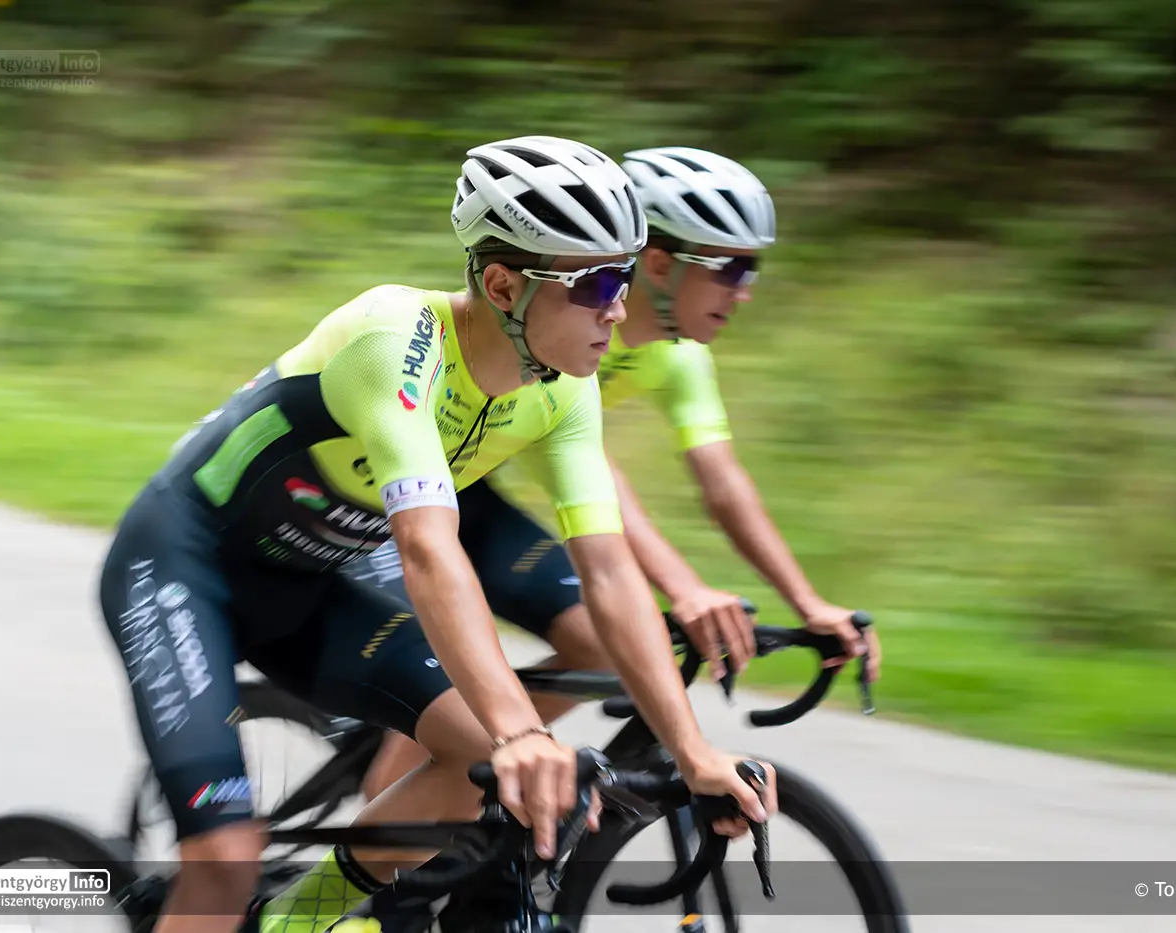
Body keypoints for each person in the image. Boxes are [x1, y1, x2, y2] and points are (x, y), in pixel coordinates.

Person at [96, 134, 775, 933]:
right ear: (503, 283)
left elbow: (609, 571)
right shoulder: (394, 340)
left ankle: (293, 922)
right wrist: (520, 730)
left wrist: (693, 752)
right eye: (596, 283)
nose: (618, 310)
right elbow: (425, 545)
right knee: (224, 857)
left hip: (309, 584)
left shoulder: (563, 391)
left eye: (624, 279)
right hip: (185, 569)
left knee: (473, 761)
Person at [357, 146, 881, 813]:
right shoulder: (556, 326)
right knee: (457, 688)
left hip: (475, 486)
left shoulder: (676, 357)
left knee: (601, 645)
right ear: (662, 263)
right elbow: (595, 477)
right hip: (404, 491)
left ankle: (472, 773)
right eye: (732, 268)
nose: (745, 290)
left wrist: (808, 603)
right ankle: (408, 797)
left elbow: (721, 483)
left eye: (753, 269)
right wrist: (684, 588)